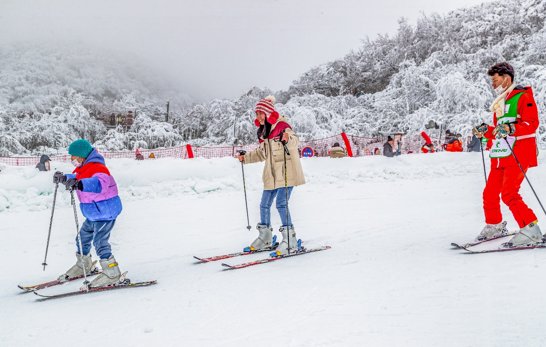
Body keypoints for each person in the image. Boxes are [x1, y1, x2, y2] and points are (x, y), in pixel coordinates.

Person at [472, 62, 541, 246]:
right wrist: (485, 130)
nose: (492, 84)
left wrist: (510, 128)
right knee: (490, 193)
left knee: (509, 193)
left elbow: (532, 124)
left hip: (518, 153)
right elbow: (500, 130)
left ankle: (530, 229)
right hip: (501, 154)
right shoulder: (501, 102)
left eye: (495, 79)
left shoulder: (523, 96)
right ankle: (494, 225)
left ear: (506, 77)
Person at [237, 96, 305, 255]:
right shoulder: (265, 133)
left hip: (287, 172)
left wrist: (287, 138)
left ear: (268, 113)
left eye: (261, 113)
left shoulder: (282, 126)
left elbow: (295, 141)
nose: (258, 116)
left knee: (281, 204)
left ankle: (290, 240)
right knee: (264, 204)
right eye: (257, 113)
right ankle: (265, 237)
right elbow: (262, 153)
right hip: (272, 175)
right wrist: (245, 158)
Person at [53, 139, 123, 287]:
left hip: (105, 213)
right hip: (93, 213)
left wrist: (80, 184)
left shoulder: (98, 168)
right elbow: (76, 178)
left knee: (100, 242)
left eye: (73, 156)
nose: (71, 159)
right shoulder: (83, 168)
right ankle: (84, 265)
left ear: (82, 155)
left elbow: (99, 184)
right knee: (81, 238)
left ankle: (113, 273)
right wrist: (64, 178)